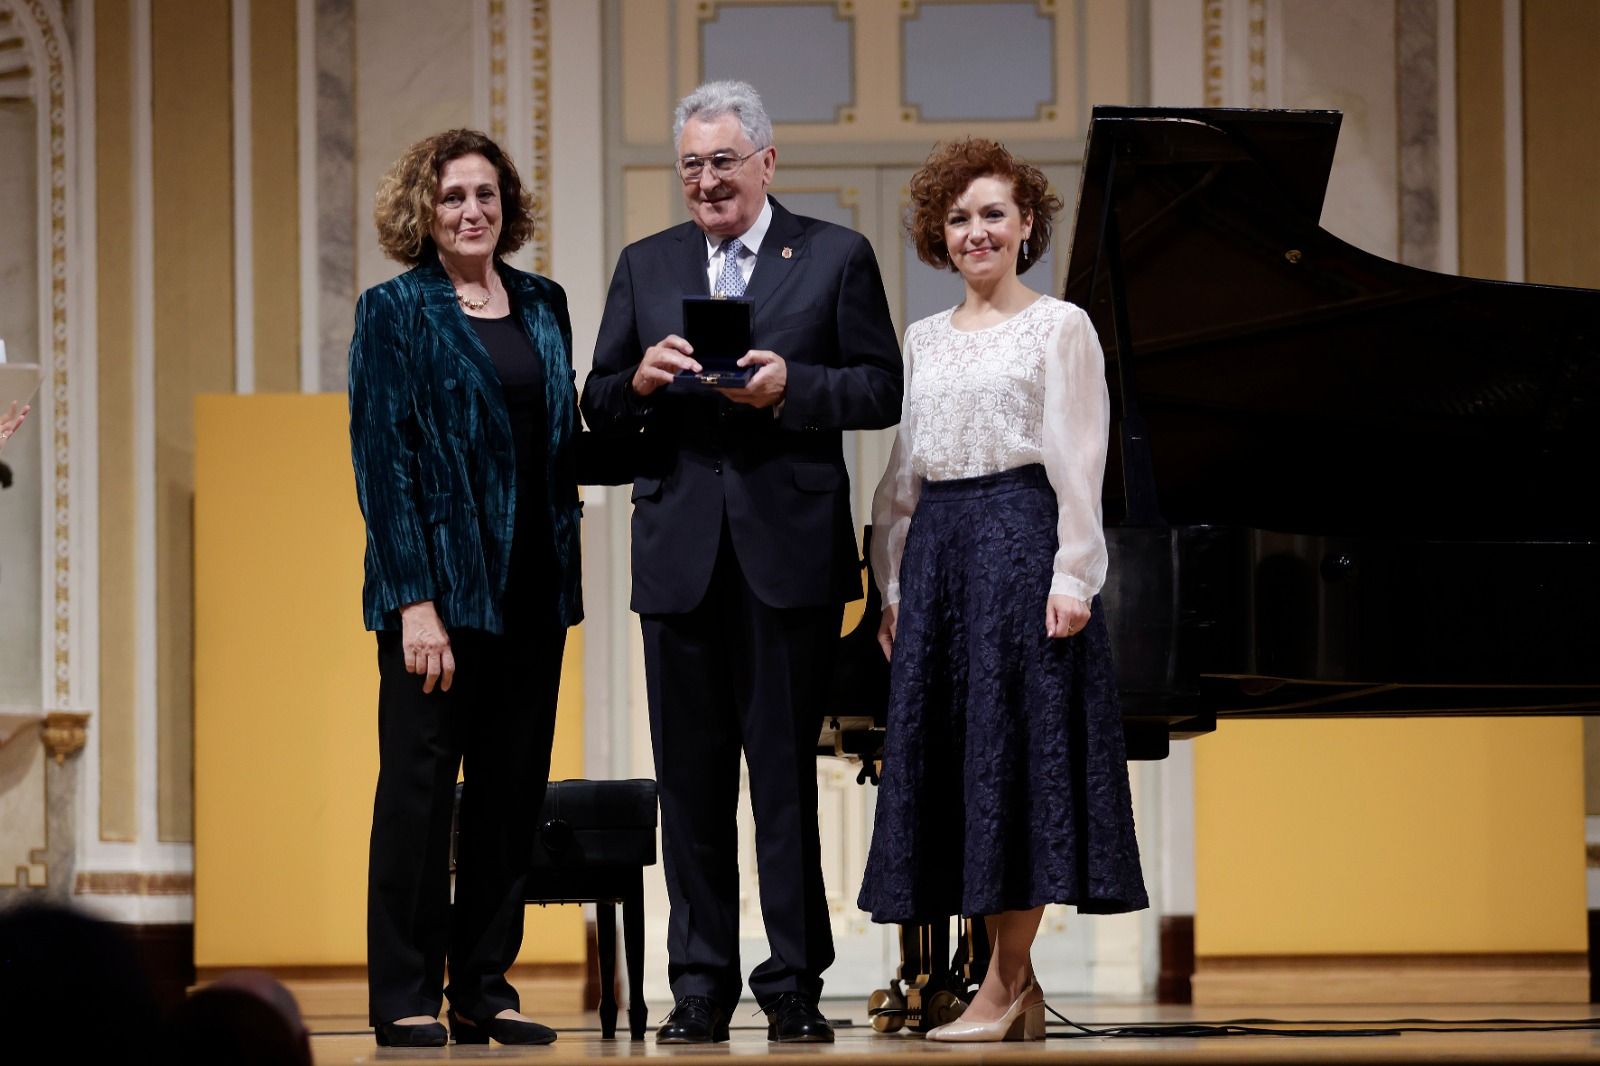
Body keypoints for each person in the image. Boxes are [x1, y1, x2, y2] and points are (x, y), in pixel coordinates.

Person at [581, 80, 902, 1045]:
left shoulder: (835, 255)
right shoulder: (648, 265)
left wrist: (792, 386)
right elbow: (600, 399)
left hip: (788, 555)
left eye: (724, 160)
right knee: (690, 785)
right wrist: (637, 381)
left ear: (766, 162)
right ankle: (702, 985)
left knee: (783, 783)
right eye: (691, 164)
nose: (706, 180)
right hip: (678, 555)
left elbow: (881, 387)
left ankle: (794, 983)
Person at [859, 138, 1148, 1042]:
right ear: (936, 235)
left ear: (1027, 226)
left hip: (1023, 550)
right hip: (941, 557)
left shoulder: (1060, 325)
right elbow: (904, 476)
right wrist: (895, 585)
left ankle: (1006, 982)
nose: (975, 231)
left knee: (1014, 768)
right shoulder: (921, 339)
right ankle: (1005, 988)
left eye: (993, 214)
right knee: (959, 769)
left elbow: (1081, 457)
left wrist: (1074, 574)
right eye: (958, 218)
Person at [349, 128, 582, 1048]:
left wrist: (642, 395)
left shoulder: (543, 303)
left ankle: (484, 985)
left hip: (534, 590)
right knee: (416, 792)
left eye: (486, 194)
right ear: (424, 210)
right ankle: (405, 988)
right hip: (438, 600)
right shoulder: (395, 311)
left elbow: (562, 445)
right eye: (453, 196)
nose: (473, 210)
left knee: (509, 791)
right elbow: (383, 463)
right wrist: (415, 603)